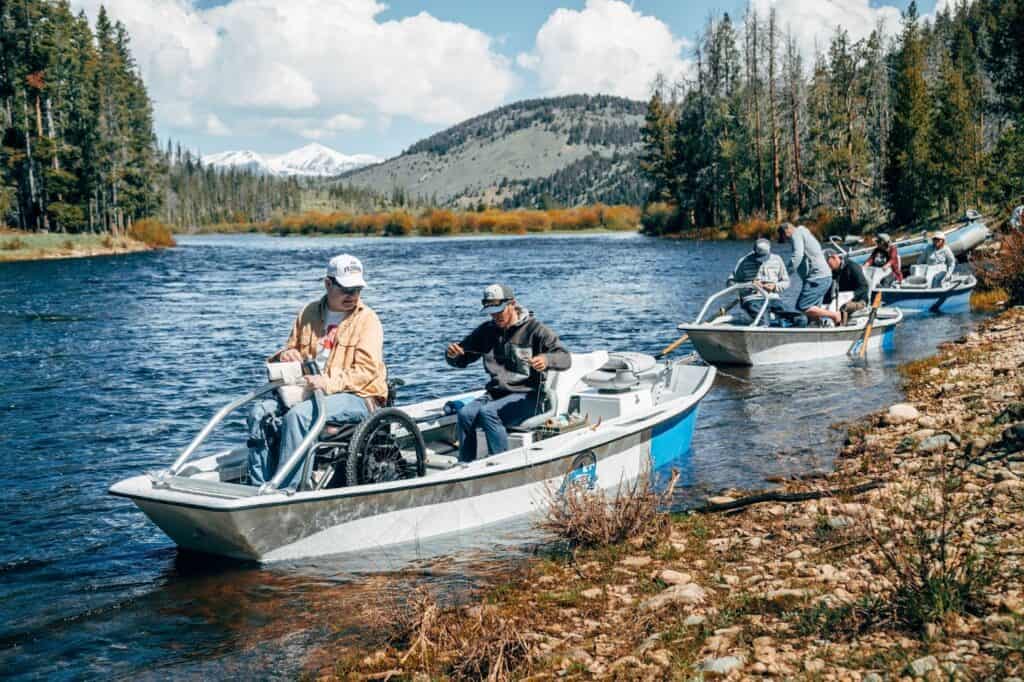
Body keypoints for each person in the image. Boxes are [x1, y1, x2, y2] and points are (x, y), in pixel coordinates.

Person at [246, 254, 387, 488]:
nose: (352, 295)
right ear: (328, 283)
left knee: (298, 417)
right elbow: (289, 348)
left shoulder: (368, 321)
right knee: (260, 413)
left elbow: (366, 372)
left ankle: (289, 490)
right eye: (345, 289)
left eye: (357, 289)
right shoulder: (308, 312)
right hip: (308, 393)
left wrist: (327, 383)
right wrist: (286, 355)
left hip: (358, 397)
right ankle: (257, 486)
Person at [445, 284, 571, 462]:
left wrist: (546, 359)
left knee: (488, 413)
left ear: (512, 304)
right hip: (496, 394)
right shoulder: (486, 331)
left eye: (499, 311)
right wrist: (452, 356)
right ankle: (465, 464)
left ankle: (500, 463)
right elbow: (462, 358)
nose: (495, 316)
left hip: (529, 397)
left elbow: (565, 358)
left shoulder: (536, 330)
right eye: (491, 312)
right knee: (465, 414)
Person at [777, 222, 834, 325]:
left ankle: (834, 315)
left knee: (802, 307)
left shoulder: (796, 234)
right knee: (812, 313)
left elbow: (797, 256)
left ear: (787, 231)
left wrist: (784, 274)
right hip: (824, 277)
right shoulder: (804, 232)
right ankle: (816, 330)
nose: (787, 241)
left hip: (817, 278)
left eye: (785, 238)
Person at [727, 238, 790, 322]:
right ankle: (770, 325)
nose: (761, 260)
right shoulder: (743, 261)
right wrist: (750, 285)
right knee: (762, 320)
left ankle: (781, 326)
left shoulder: (777, 259)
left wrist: (775, 286)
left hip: (773, 299)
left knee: (800, 319)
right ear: (754, 251)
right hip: (752, 299)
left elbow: (786, 282)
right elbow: (730, 283)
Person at [822, 248, 871, 325]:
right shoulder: (834, 271)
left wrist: (851, 295)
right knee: (824, 306)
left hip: (859, 300)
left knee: (844, 307)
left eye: (827, 262)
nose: (827, 266)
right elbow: (829, 289)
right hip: (842, 298)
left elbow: (864, 287)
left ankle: (841, 328)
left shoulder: (852, 267)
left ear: (834, 257)